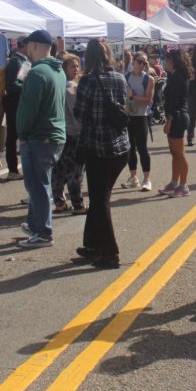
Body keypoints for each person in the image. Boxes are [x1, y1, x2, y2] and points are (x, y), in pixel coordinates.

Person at [73, 39, 131, 268]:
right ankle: (92, 244)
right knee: (100, 197)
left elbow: (79, 113)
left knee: (99, 199)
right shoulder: (119, 77)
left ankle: (109, 252)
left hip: (98, 147)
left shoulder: (87, 81)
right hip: (120, 147)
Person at [15, 30, 66, 248]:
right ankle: (35, 224)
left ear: (35, 46)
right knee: (40, 183)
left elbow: (28, 109)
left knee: (37, 184)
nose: (26, 49)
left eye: (27, 45)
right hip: (54, 134)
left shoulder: (37, 73)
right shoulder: (58, 70)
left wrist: (22, 134)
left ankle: (43, 232)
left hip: (39, 136)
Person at [52, 53, 87, 215]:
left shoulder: (59, 86)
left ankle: (59, 202)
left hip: (60, 134)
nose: (76, 69)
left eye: (78, 66)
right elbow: (77, 115)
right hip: (73, 134)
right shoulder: (71, 87)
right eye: (72, 66)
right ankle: (78, 204)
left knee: (59, 169)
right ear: (65, 69)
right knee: (75, 171)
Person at [120, 53, 156, 192]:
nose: (142, 65)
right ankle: (133, 177)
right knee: (130, 148)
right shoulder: (126, 77)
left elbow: (147, 100)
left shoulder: (149, 79)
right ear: (133, 62)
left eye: (144, 63)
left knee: (142, 148)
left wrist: (132, 96)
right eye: (139, 62)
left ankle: (146, 179)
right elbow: (122, 97)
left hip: (141, 116)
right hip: (129, 116)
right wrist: (125, 104)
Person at [160, 49, 193, 196]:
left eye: (167, 60)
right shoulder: (175, 75)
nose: (165, 63)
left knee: (179, 153)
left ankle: (184, 185)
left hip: (177, 117)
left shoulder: (177, 77)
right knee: (175, 153)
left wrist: (169, 120)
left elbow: (174, 101)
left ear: (173, 61)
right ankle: (174, 182)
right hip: (176, 116)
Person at [3, 37, 31, 179]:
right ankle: (12, 170)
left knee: (15, 135)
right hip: (14, 103)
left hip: (16, 102)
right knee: (13, 136)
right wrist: (28, 87)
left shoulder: (22, 60)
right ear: (24, 45)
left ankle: (13, 169)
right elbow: (12, 84)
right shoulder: (16, 60)